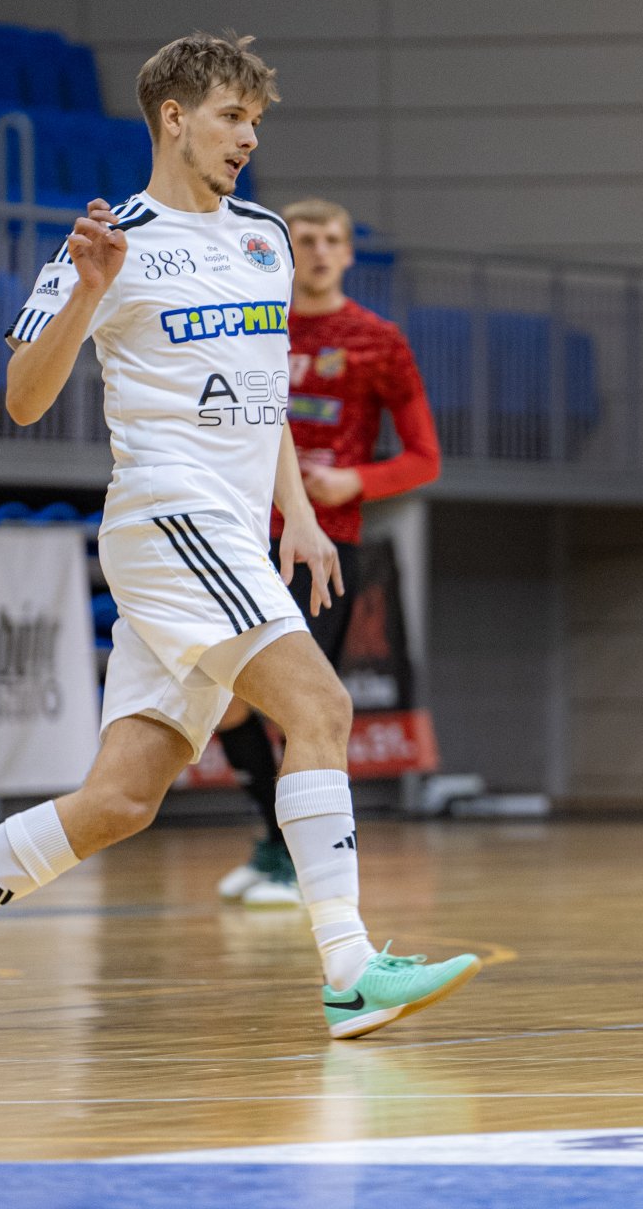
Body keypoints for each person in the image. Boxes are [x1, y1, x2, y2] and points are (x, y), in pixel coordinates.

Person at [0, 32, 479, 1043]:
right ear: (174, 117)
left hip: (232, 529)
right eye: (230, 116)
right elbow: (23, 397)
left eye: (255, 121)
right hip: (169, 517)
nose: (248, 137)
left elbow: (264, 399)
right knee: (321, 705)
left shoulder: (264, 238)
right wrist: (89, 290)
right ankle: (350, 969)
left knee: (120, 800)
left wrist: (300, 513)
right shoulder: (110, 239)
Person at [214, 199, 441, 908]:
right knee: (223, 700)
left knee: (298, 705)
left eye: (329, 240)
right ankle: (274, 842)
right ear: (282, 251)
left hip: (324, 544)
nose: (316, 251)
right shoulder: (253, 324)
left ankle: (296, 865)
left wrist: (356, 481)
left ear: (347, 253)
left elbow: (424, 458)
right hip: (240, 532)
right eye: (303, 239)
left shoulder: (377, 340)